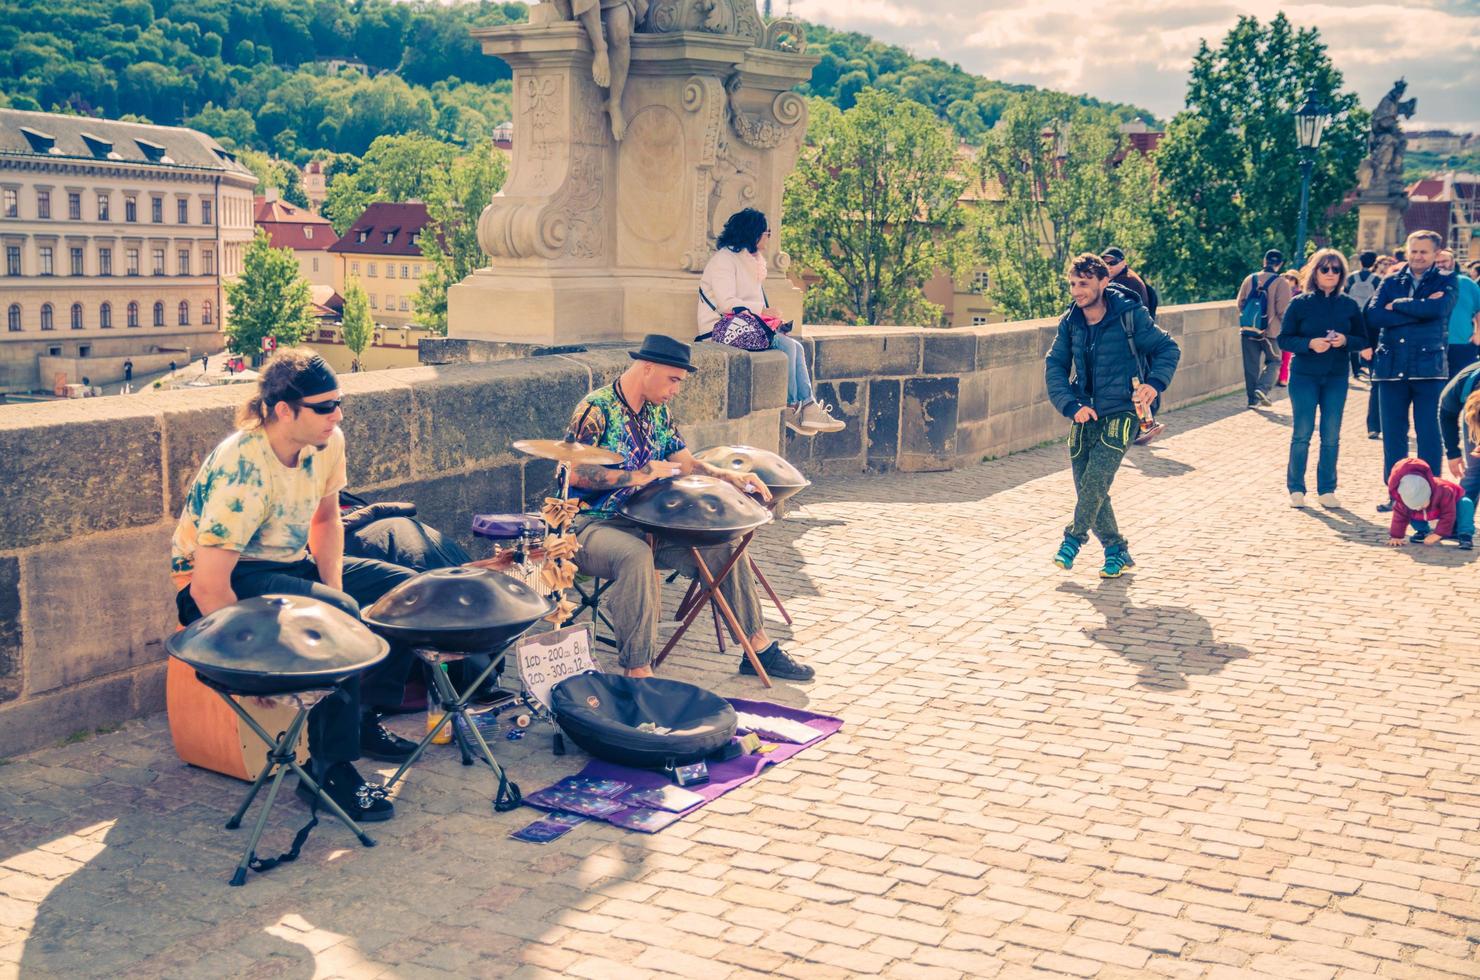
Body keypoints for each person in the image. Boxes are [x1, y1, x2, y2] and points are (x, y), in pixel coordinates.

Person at [171, 349, 420, 822]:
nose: (337, 414)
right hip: (224, 580)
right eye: (325, 406)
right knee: (341, 615)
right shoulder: (242, 467)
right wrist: (253, 664)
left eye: (339, 402)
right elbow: (206, 585)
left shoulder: (328, 443)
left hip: (286, 565)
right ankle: (329, 770)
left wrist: (334, 597)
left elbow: (326, 521)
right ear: (283, 410)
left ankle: (364, 716)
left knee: (400, 597)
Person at [565, 334, 816, 681]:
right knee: (635, 556)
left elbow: (686, 464)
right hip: (591, 526)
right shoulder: (596, 409)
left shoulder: (657, 411)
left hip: (650, 523)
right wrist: (635, 476)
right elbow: (573, 474)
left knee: (724, 548)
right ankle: (637, 670)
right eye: (673, 380)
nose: (676, 390)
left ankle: (757, 646)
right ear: (647, 367)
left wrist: (730, 477)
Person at [1045, 254, 1181, 578]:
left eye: (1084, 284)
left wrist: (1153, 384)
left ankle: (1072, 540)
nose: (1077, 291)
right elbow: (1055, 366)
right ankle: (1116, 550)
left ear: (1104, 282)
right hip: (1084, 414)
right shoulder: (1070, 321)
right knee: (1091, 490)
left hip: (1122, 412)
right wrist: (1072, 406)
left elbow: (1168, 349)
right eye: (1073, 284)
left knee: (1095, 480)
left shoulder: (1129, 315)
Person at [699, 208, 842, 435]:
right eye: (767, 232)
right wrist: (763, 310)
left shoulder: (750, 260)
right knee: (787, 346)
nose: (769, 237)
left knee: (793, 345)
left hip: (743, 327)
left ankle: (805, 406)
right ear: (753, 232)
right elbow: (727, 303)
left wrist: (770, 318)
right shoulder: (724, 260)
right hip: (719, 330)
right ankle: (795, 407)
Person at [1366, 229, 1458, 501]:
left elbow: (1439, 311)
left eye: (1424, 252)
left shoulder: (1447, 280)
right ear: (1407, 250)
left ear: (1435, 254)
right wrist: (1418, 312)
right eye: (1414, 251)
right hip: (1391, 367)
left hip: (1428, 368)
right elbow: (1373, 315)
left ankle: (1429, 496)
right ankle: (1396, 495)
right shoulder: (1391, 279)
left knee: (1429, 434)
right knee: (1394, 436)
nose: (1417, 257)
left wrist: (1400, 305)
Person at [1279, 250, 1364, 509]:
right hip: (1305, 376)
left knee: (1331, 435)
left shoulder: (1348, 305)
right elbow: (1284, 339)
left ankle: (1326, 489)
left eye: (1335, 269)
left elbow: (1363, 339)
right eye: (1324, 269)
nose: (1330, 274)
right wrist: (1309, 344)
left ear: (1342, 274)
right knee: (1302, 433)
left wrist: (1345, 340)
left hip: (1336, 377)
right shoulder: (1300, 303)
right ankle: (1296, 488)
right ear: (1315, 272)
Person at [1236, 249, 1292, 408]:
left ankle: (1252, 400)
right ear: (1279, 264)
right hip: (1270, 333)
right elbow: (1283, 310)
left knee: (1251, 366)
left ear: (1264, 261)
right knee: (1275, 361)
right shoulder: (1281, 282)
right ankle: (1262, 388)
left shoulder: (1250, 279)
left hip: (1248, 330)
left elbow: (1240, 303)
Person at [1385, 457, 1473, 550]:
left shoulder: (1444, 490)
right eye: (1415, 506)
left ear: (1428, 493)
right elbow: (1399, 516)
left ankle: (1465, 535)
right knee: (1408, 511)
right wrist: (1396, 536)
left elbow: (1448, 514)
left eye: (1422, 503)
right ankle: (1423, 531)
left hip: (1451, 505)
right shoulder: (1403, 499)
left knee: (1466, 503)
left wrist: (1438, 534)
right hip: (1430, 511)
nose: (1419, 508)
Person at [1438, 359, 1480, 550]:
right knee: (1475, 470)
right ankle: (1457, 525)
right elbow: (1446, 414)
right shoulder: (1459, 387)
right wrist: (1453, 453)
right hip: (1473, 408)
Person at [1436, 248, 1480, 378]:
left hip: (1462, 342)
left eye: (1444, 261)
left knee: (1461, 384)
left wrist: (1478, 334)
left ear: (1452, 262)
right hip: (1432, 344)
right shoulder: (1425, 283)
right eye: (1437, 262)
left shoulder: (1466, 283)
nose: (1440, 264)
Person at [1344, 251, 1382, 379]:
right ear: (1374, 263)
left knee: (1352, 338)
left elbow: (1345, 293)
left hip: (1351, 312)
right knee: (1365, 338)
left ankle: (1355, 369)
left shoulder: (1351, 277)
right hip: (1367, 315)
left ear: (1360, 262)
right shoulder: (1377, 279)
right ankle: (1364, 365)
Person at [1100, 246, 1152, 313]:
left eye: (1113, 263)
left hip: (1133, 321)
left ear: (1123, 263)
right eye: (1105, 263)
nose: (1108, 267)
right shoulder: (1127, 275)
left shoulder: (1125, 280)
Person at [1276, 270, 1303, 386]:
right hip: (1278, 324)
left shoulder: (1299, 294)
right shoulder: (1280, 290)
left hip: (1292, 327)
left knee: (1286, 354)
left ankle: (1283, 378)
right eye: (1287, 277)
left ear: (1296, 281)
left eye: (1292, 278)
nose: (1289, 280)